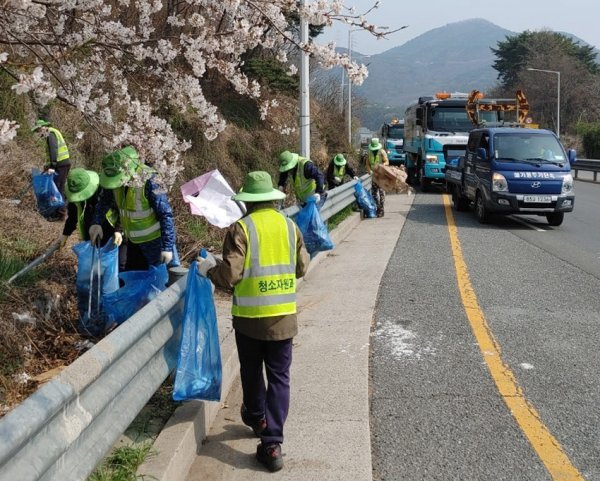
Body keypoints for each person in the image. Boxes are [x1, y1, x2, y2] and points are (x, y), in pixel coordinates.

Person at [198, 171, 310, 472]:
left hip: (249, 319)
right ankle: (272, 444)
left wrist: (210, 269)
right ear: (272, 199)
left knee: (251, 371)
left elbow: (231, 275)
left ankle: (258, 417)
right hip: (283, 317)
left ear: (247, 201)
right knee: (280, 378)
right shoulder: (289, 226)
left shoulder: (241, 229)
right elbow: (302, 267)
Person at [89, 146, 177, 271]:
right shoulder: (114, 182)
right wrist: (96, 223)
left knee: (159, 282)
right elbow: (104, 201)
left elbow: (165, 214)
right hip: (132, 240)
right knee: (135, 279)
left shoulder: (149, 180)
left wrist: (167, 247)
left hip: (155, 242)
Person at [59, 168, 115, 248]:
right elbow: (73, 216)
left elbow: (118, 210)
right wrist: (65, 234)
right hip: (90, 233)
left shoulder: (105, 188)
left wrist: (118, 231)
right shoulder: (75, 196)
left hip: (110, 234)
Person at [31, 119, 71, 220]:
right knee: (56, 188)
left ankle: (60, 214)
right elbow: (51, 153)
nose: (39, 133)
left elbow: (53, 150)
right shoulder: (51, 133)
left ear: (43, 127)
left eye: (38, 130)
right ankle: (55, 211)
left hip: (61, 164)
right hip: (61, 164)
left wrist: (52, 166)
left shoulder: (50, 133)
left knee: (58, 188)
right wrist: (48, 166)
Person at [365, 137, 389, 217]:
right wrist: (369, 171)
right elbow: (367, 164)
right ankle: (378, 208)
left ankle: (381, 210)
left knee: (382, 194)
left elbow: (387, 161)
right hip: (374, 176)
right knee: (374, 193)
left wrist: (383, 165)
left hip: (381, 176)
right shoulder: (369, 153)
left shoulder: (382, 152)